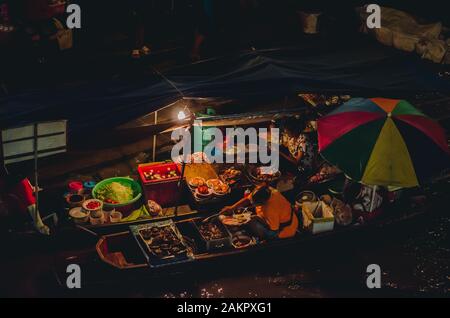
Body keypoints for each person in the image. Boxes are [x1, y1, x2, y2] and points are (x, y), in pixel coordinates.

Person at [220, 183, 298, 240]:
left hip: (284, 230)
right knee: (251, 218)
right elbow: (248, 199)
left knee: (252, 222)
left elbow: (274, 231)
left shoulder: (270, 209)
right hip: (280, 216)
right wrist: (232, 207)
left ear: (263, 203)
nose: (252, 204)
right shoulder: (266, 190)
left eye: (255, 204)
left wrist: (254, 219)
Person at [0, 165, 49, 235]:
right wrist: (40, 226)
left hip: (15, 183)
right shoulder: (25, 196)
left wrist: (40, 226)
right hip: (15, 182)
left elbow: (33, 210)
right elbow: (33, 209)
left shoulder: (22, 201)